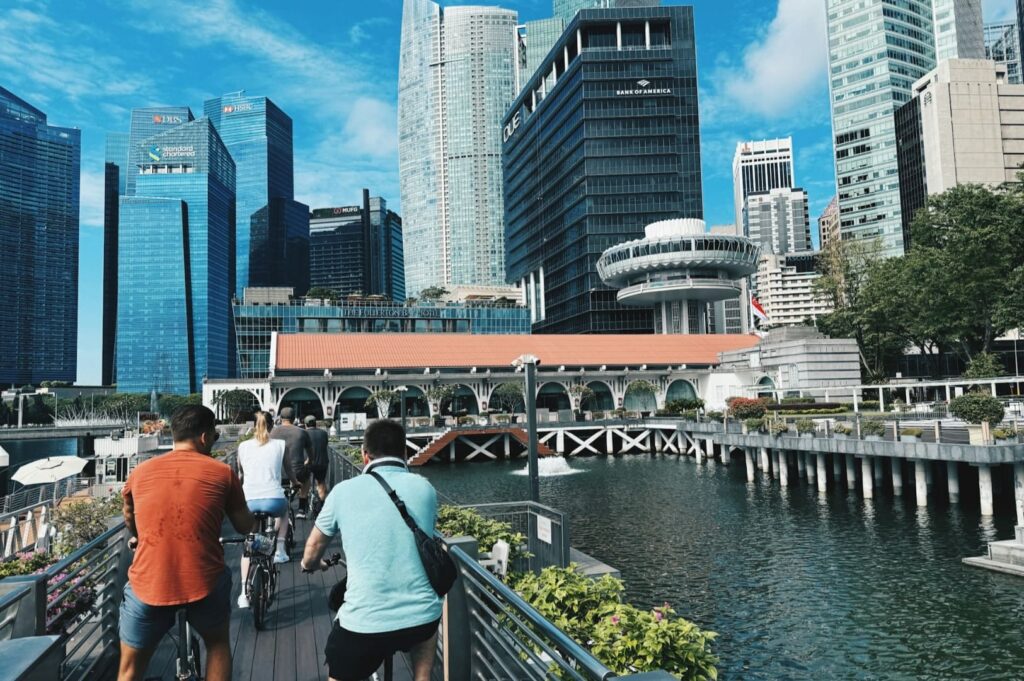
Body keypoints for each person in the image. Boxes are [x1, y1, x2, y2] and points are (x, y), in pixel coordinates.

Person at [118, 405, 254, 681]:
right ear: (205, 437)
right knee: (217, 646)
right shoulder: (222, 473)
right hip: (204, 581)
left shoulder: (140, 473)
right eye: (215, 436)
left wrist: (139, 536)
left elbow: (129, 515)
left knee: (129, 669)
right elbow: (245, 525)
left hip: (149, 583)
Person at [301, 420, 441, 681]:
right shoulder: (425, 489)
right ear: (405, 453)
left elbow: (313, 549)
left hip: (364, 623)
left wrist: (310, 565)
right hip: (421, 617)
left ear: (365, 455)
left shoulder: (343, 492)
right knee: (426, 631)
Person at [237, 412, 291, 606]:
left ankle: (244, 593)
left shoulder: (243, 447)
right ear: (271, 425)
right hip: (273, 500)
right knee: (284, 511)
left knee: (249, 543)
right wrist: (295, 481)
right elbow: (288, 470)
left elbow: (241, 474)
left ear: (254, 425)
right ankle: (280, 550)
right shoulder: (279, 445)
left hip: (249, 501)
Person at [270, 406, 312, 517]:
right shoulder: (302, 432)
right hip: (297, 470)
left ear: (280, 418)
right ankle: (302, 509)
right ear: (294, 418)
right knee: (307, 479)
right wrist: (308, 461)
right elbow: (310, 453)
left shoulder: (272, 432)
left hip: (278, 471)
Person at [304, 414, 329, 502]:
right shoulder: (324, 433)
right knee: (321, 483)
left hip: (308, 463)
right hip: (322, 462)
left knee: (304, 482)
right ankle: (322, 504)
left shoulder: (304, 433)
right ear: (315, 424)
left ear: (305, 424)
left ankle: (304, 503)